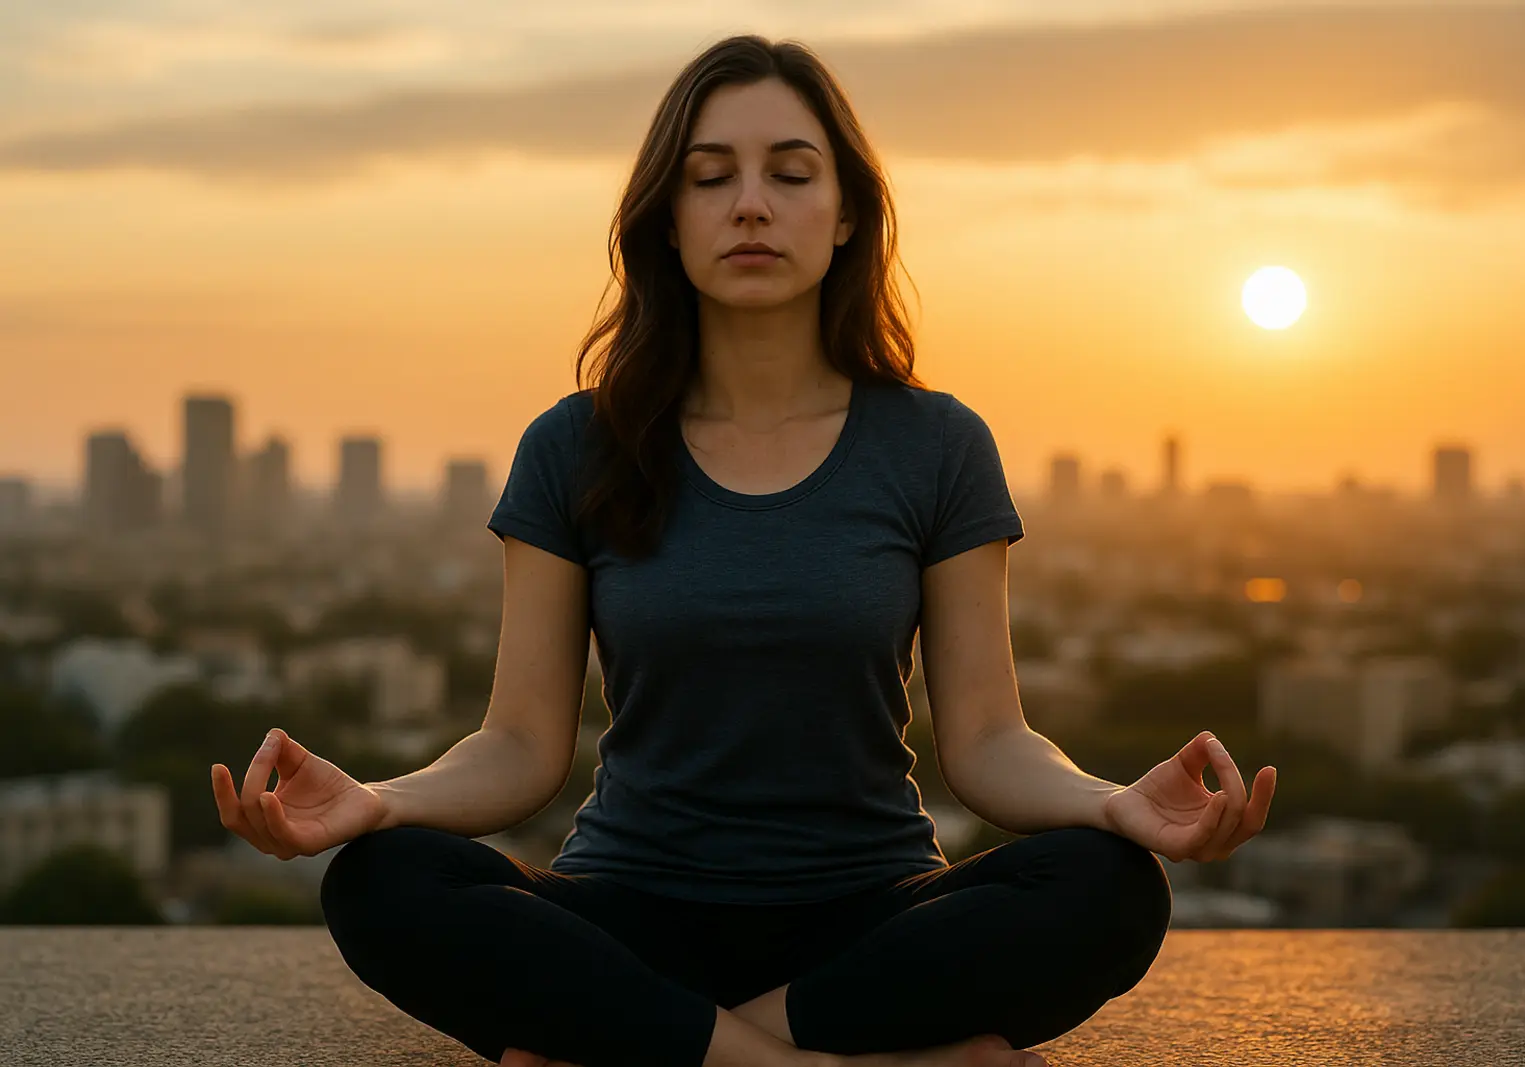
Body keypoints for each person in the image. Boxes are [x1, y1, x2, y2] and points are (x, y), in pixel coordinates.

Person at [210, 33, 1277, 1067]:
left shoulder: (936, 445)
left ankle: (650, 1044)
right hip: (629, 911)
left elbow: (990, 741)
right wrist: (380, 800)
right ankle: (842, 1062)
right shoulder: (574, 445)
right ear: (666, 221)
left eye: (791, 173)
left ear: (848, 211)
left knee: (1114, 884)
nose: (751, 204)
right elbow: (522, 746)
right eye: (710, 177)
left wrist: (1109, 802)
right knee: (378, 879)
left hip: (867, 923)